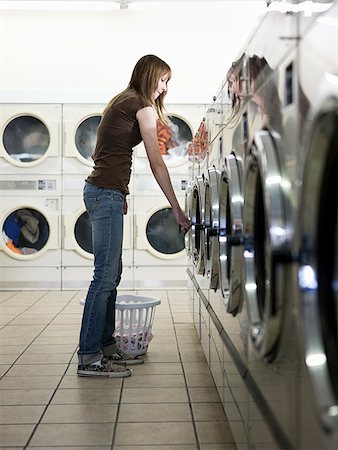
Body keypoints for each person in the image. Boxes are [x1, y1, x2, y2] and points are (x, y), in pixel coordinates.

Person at [77, 55, 191, 378]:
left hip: (105, 192)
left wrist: (118, 191)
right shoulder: (140, 106)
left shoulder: (122, 101)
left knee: (111, 275)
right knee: (104, 277)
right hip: (105, 193)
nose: (165, 87)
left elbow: (102, 152)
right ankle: (89, 356)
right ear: (149, 75)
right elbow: (157, 163)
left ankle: (106, 348)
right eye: (163, 79)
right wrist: (177, 208)